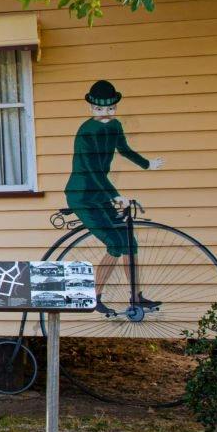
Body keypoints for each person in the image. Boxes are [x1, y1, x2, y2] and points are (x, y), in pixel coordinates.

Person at [65, 80, 164, 316]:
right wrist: (116, 196)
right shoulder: (86, 133)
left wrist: (147, 164)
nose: (105, 114)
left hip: (100, 193)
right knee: (114, 243)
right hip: (82, 195)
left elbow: (124, 149)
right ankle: (95, 297)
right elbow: (91, 171)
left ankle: (136, 297)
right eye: (100, 109)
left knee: (128, 242)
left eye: (110, 109)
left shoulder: (115, 126)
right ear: (91, 108)